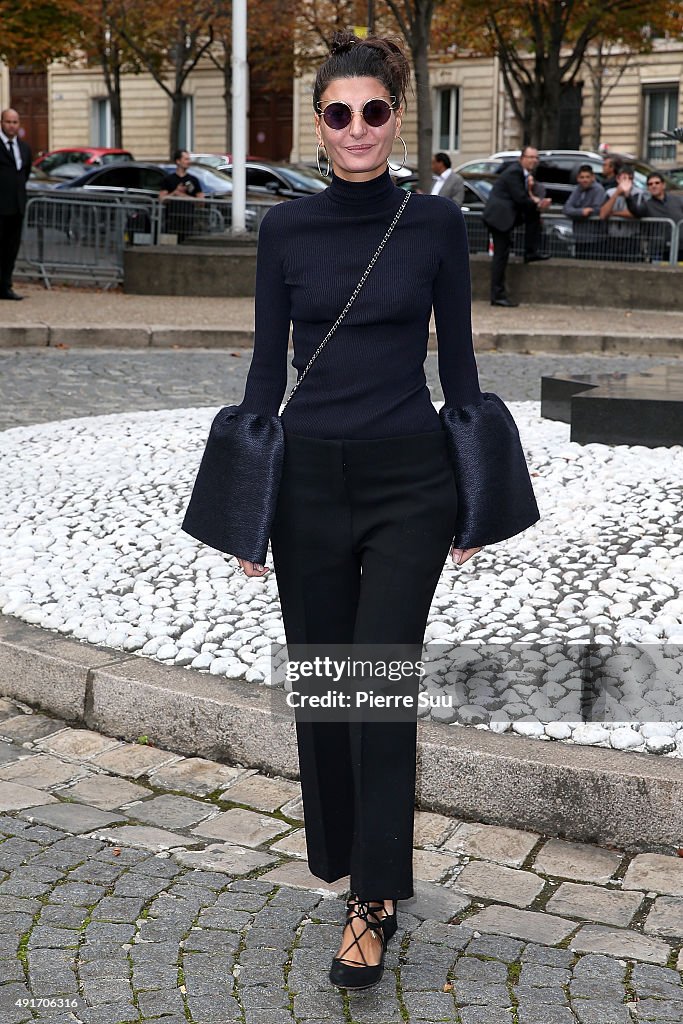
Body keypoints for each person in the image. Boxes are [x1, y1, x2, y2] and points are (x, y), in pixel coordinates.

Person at [182, 30, 539, 992]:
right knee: (330, 692)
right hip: (304, 482)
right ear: (319, 123)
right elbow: (265, 370)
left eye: (372, 112)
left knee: (377, 687)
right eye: (337, 113)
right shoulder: (287, 233)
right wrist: (247, 506)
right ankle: (352, 858)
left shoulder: (432, 226)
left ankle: (371, 901)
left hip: (409, 482)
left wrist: (473, 492)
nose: (355, 129)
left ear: (395, 117)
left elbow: (457, 364)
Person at [482, 146, 552, 307]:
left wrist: (535, 203)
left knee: (533, 215)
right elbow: (520, 198)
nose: (534, 160)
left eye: (536, 157)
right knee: (500, 256)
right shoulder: (515, 172)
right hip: (499, 219)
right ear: (522, 158)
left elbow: (524, 199)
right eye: (530, 157)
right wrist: (538, 203)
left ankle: (531, 251)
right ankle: (497, 295)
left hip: (505, 217)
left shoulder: (523, 174)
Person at [0, 108, 32, 301]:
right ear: (1, 123)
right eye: (8, 122)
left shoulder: (24, 148)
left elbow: (25, 173)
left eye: (15, 122)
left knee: (11, 249)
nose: (12, 126)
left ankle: (5, 286)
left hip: (17, 207)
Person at [625, 172, 683, 262]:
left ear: (663, 185)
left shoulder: (677, 200)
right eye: (650, 184)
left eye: (657, 183)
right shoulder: (647, 205)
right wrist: (627, 195)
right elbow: (635, 211)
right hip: (659, 250)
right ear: (648, 188)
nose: (654, 186)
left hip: (680, 247)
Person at [599, 166, 645, 262]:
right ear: (618, 179)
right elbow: (603, 214)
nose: (626, 182)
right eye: (624, 178)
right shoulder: (610, 193)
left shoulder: (638, 194)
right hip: (612, 238)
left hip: (631, 238)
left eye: (630, 179)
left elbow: (634, 213)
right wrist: (616, 194)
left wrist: (614, 213)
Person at [562, 164, 606, 260]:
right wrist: (581, 212)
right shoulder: (578, 189)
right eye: (582, 177)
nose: (584, 180)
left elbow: (596, 210)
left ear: (593, 177)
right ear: (578, 178)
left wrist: (577, 212)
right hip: (579, 236)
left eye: (587, 177)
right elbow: (566, 208)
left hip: (594, 238)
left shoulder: (599, 190)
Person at [159, 149, 204, 241]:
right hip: (171, 220)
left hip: (188, 221)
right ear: (178, 161)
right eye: (186, 159)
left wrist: (184, 196)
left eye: (189, 159)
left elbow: (201, 202)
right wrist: (175, 193)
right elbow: (161, 199)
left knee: (187, 245)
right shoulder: (168, 179)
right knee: (170, 246)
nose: (189, 162)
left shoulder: (193, 180)